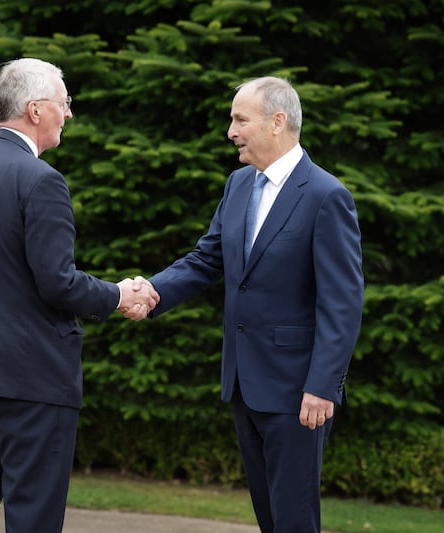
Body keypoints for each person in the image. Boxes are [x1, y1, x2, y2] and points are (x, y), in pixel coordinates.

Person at [0, 57, 158, 533]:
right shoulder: (42, 180)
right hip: (31, 376)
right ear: (36, 110)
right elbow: (57, 282)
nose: (68, 113)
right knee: (33, 516)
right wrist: (119, 294)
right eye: (64, 102)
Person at [144, 76, 364, 533]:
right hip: (245, 383)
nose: (231, 131)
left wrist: (323, 385)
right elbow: (206, 259)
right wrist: (150, 292)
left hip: (299, 393)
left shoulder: (326, 196)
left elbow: (342, 302)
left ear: (277, 122)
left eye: (240, 119)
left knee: (294, 520)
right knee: (269, 518)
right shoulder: (239, 185)